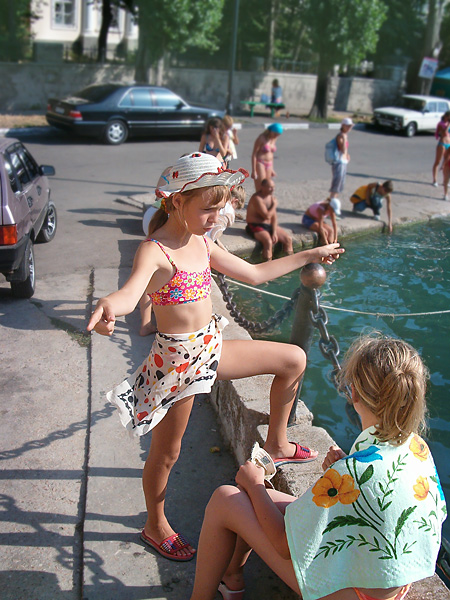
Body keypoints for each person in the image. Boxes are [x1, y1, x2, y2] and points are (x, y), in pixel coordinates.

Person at [87, 153, 343, 563]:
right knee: (167, 454)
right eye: (208, 208)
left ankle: (276, 443)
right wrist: (108, 307)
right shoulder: (155, 250)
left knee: (293, 358)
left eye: (219, 207)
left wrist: (310, 256)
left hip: (210, 347)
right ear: (175, 203)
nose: (216, 217)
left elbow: (255, 274)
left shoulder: (203, 243)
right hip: (176, 364)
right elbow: (131, 293)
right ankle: (155, 524)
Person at [190, 333, 446, 600]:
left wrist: (255, 484)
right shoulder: (417, 447)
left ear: (354, 393)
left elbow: (282, 544)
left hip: (355, 593)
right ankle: (232, 581)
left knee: (225, 499)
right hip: (389, 582)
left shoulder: (353, 471)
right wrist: (346, 464)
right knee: (253, 502)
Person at [246, 178, 293, 260]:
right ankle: (268, 265)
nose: (273, 189)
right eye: (270, 187)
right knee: (268, 242)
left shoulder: (271, 198)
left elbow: (274, 217)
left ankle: (289, 262)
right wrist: (274, 205)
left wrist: (274, 232)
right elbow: (266, 216)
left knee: (288, 239)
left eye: (273, 187)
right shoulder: (257, 198)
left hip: (268, 225)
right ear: (262, 187)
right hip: (256, 225)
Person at [251, 123, 283, 191]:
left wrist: (272, 169)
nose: (276, 136)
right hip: (260, 163)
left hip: (269, 164)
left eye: (278, 135)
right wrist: (254, 170)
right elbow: (254, 154)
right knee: (261, 186)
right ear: (271, 131)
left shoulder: (274, 139)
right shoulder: (261, 138)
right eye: (275, 134)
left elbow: (271, 154)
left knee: (267, 186)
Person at [330, 118, 353, 201]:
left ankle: (333, 202)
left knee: (340, 184)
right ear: (343, 125)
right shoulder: (340, 136)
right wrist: (344, 139)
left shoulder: (344, 135)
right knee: (337, 183)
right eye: (348, 126)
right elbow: (343, 149)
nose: (349, 128)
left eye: (350, 126)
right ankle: (331, 203)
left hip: (343, 162)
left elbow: (345, 151)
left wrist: (347, 154)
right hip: (338, 162)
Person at [432, 111, 450, 187]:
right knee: (438, 161)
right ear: (446, 116)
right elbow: (445, 132)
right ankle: (435, 180)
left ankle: (445, 180)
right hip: (442, 143)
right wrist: (448, 124)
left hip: (448, 143)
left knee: (446, 163)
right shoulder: (441, 124)